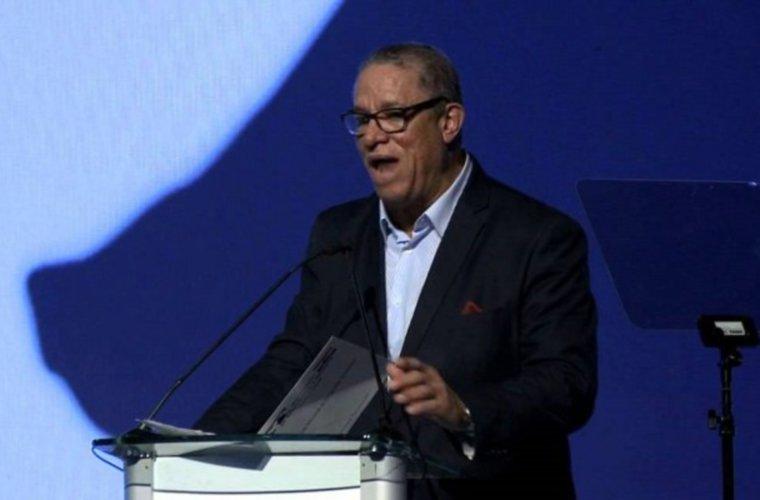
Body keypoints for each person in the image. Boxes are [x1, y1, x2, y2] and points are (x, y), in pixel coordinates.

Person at [196, 43, 597, 499]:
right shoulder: (339, 234)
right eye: (362, 120)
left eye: (393, 116)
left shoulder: (535, 236)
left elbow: (567, 383)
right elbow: (295, 360)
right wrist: (199, 445)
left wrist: (463, 410)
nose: (372, 136)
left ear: (448, 122)